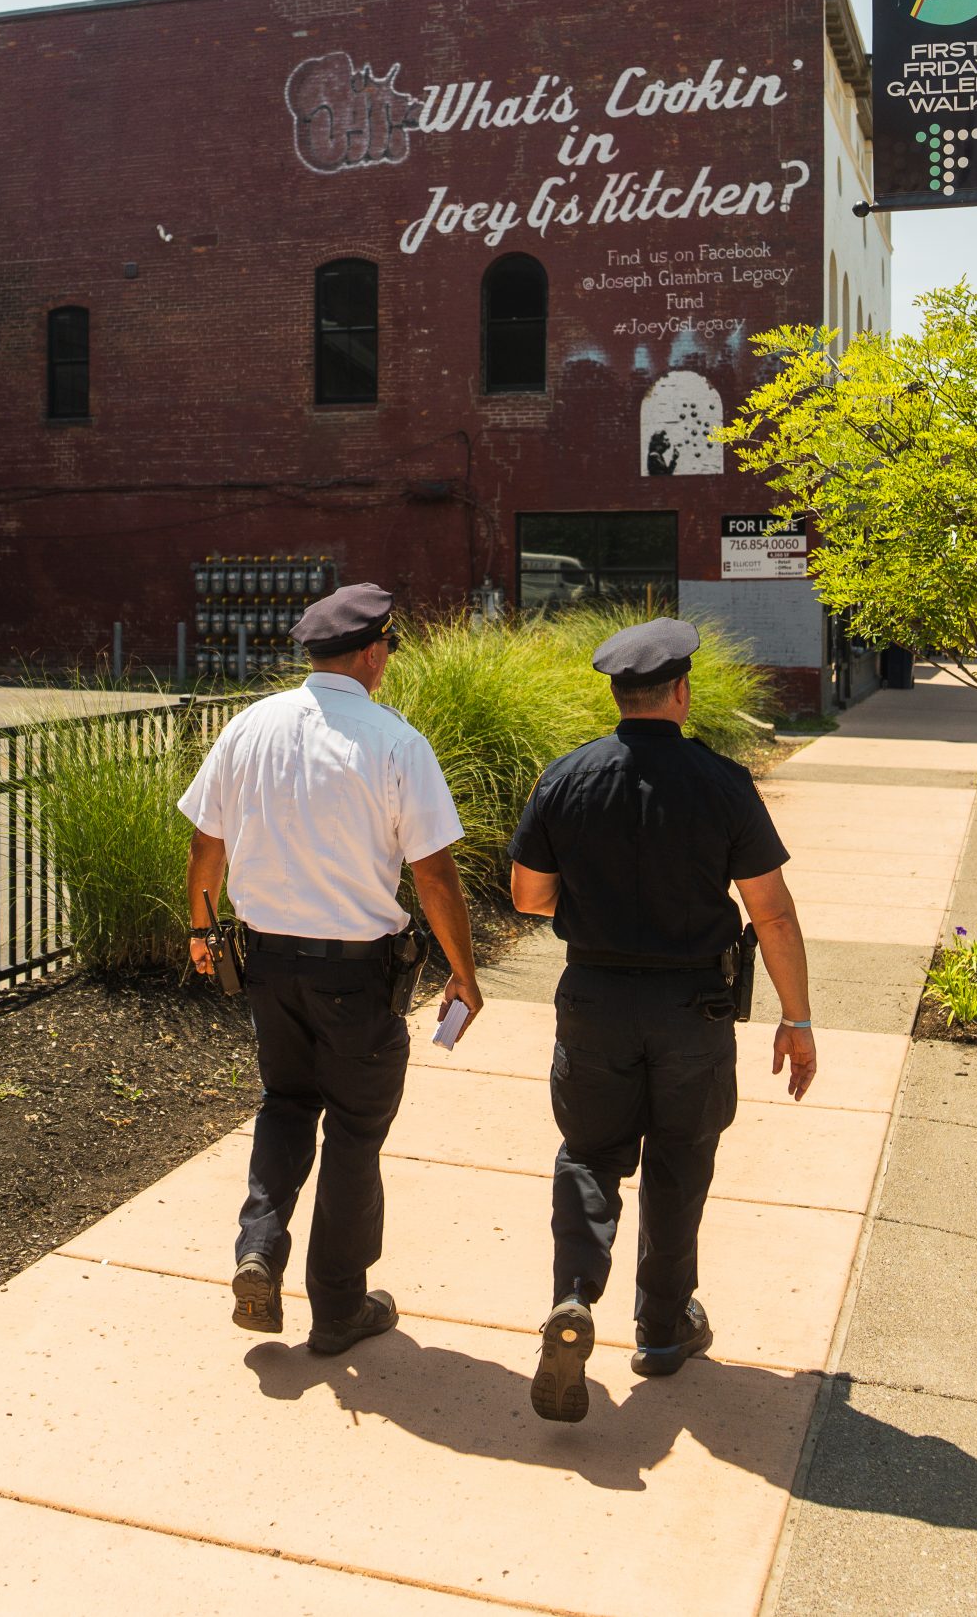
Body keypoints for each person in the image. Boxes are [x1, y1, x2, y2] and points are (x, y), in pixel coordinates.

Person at [508, 617, 816, 1423]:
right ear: (681, 691)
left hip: (595, 1003)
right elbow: (772, 913)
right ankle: (663, 1326)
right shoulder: (722, 783)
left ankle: (574, 1298)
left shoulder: (566, 778)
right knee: (681, 1163)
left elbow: (528, 896)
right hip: (693, 1008)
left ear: (617, 693)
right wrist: (798, 1017)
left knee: (588, 1154)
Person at [178, 583, 483, 1356]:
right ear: (375, 652)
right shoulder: (393, 741)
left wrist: (201, 927)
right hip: (355, 975)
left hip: (268, 964)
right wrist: (462, 971)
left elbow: (205, 844)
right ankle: (340, 1305)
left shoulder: (248, 725)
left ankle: (258, 1249)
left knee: (285, 1104)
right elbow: (434, 876)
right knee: (354, 1129)